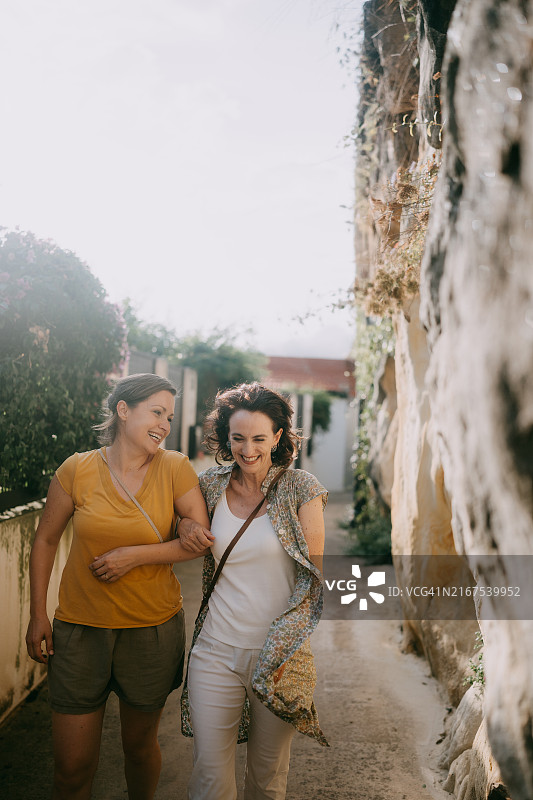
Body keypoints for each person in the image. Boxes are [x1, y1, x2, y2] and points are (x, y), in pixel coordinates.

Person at [92, 382, 329, 800]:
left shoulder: (301, 489)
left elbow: (311, 582)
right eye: (238, 438)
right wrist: (185, 525)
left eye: (259, 438)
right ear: (226, 439)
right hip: (215, 650)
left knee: (267, 778)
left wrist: (283, 650)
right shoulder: (210, 485)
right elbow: (182, 526)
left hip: (278, 657)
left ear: (277, 437)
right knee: (209, 777)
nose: (248, 449)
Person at [25, 373, 210, 800]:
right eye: (156, 412)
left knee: (139, 749)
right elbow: (45, 540)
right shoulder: (76, 469)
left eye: (169, 416)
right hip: (78, 631)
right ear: (123, 410)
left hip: (151, 630)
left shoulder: (174, 467)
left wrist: (135, 555)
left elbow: (198, 542)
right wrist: (38, 614)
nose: (165, 424)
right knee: (72, 768)